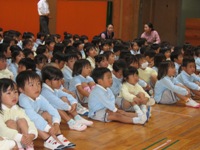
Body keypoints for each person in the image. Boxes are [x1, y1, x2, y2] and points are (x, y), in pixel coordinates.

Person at [16, 71, 75, 149]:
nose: (36, 87)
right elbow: (33, 117)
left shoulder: (39, 97)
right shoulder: (23, 99)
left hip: (32, 123)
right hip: (21, 129)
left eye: (38, 84)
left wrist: (56, 124)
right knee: (34, 121)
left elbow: (52, 109)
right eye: (31, 85)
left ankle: (57, 136)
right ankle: (48, 139)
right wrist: (48, 128)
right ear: (21, 89)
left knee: (47, 113)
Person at [41, 66, 93, 131]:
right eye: (57, 80)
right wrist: (69, 108)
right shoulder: (45, 91)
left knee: (64, 98)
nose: (60, 82)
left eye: (60, 79)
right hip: (43, 114)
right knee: (56, 107)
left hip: (54, 110)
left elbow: (67, 95)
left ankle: (78, 118)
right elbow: (57, 103)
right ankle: (70, 122)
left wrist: (74, 103)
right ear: (48, 82)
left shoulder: (54, 88)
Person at [0, 78, 38, 150]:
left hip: (21, 138)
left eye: (15, 92)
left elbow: (29, 122)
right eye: (9, 93)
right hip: (5, 139)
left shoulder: (17, 108)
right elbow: (2, 130)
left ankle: (28, 145)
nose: (14, 96)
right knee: (10, 123)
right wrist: (20, 137)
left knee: (22, 120)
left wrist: (31, 135)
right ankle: (19, 147)